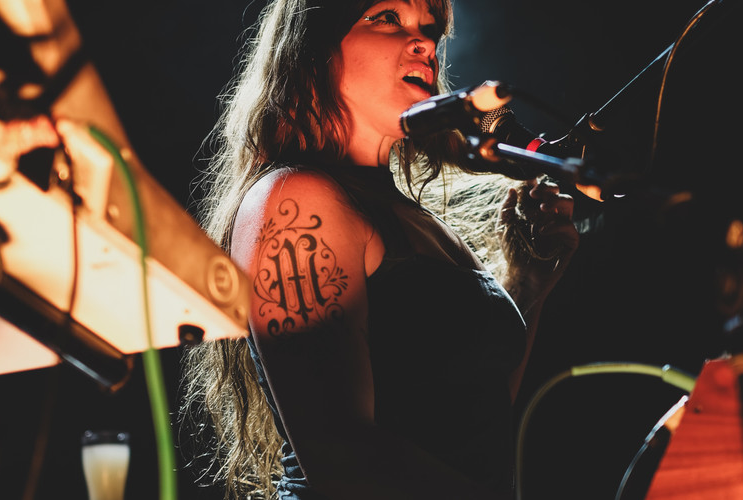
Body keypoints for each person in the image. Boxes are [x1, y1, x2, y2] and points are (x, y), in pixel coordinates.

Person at [179, 0, 579, 499]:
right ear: (313, 47)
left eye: (429, 28)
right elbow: (342, 456)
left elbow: (469, 414)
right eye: (387, 16)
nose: (425, 44)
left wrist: (528, 284)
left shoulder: (412, 218)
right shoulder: (297, 198)